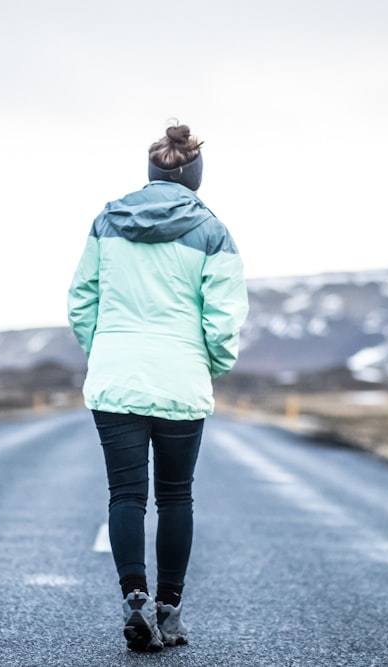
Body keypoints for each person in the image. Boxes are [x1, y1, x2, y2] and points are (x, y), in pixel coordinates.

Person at [67, 122, 249, 652]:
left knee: (126, 494)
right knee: (175, 497)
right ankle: (169, 611)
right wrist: (209, 365)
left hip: (116, 376)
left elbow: (82, 300)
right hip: (180, 380)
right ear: (195, 175)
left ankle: (134, 600)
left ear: (152, 171)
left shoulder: (107, 221)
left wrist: (103, 352)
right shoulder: (214, 232)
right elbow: (224, 318)